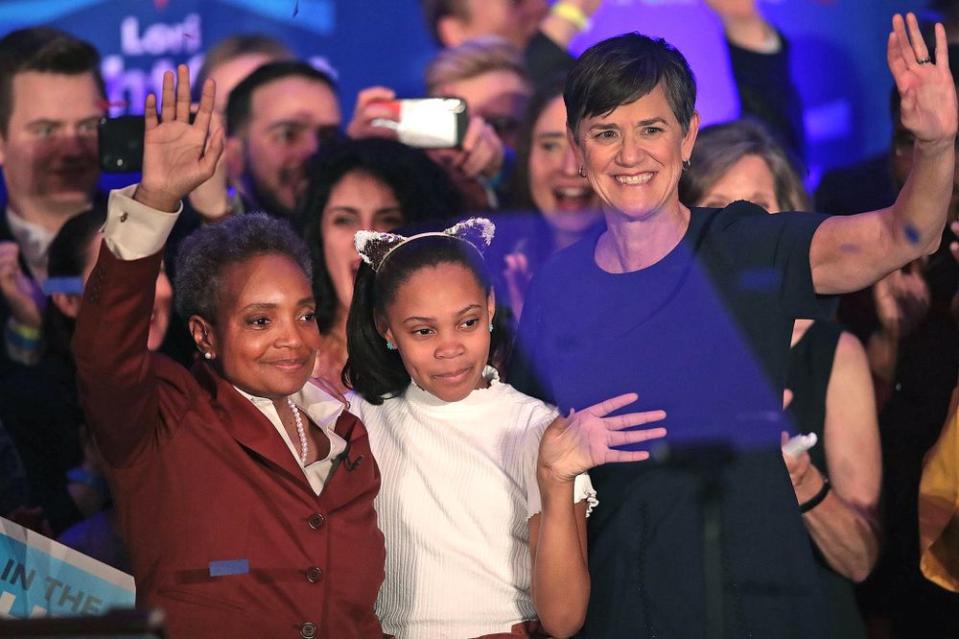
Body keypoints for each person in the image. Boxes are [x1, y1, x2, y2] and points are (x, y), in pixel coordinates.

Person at [510, 14, 956, 636]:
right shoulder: (557, 289)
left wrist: (935, 145)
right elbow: (534, 467)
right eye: (606, 133)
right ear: (578, 149)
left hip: (754, 606)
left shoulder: (748, 245)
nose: (631, 154)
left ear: (688, 137)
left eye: (652, 129)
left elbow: (902, 234)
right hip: (620, 609)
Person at [72, 66, 385, 638]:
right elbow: (104, 352)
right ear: (204, 336)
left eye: (305, 313)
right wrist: (158, 198)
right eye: (260, 321)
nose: (292, 337)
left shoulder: (345, 428)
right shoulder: (166, 417)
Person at [341, 218, 667, 638]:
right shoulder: (358, 421)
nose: (449, 348)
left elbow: (564, 619)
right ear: (388, 330)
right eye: (423, 331)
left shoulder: (538, 429)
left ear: (490, 308)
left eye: (467, 322)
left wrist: (554, 478)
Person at [680, 118, 881, 639]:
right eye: (720, 208)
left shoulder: (833, 352)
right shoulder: (660, 345)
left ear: (790, 219)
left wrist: (798, 473)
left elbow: (860, 560)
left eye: (757, 208)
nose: (739, 228)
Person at [300, 137, 463, 392]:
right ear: (319, 237)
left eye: (389, 219)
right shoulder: (291, 358)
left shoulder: (455, 360)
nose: (368, 237)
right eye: (344, 220)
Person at [0, 27, 105, 366]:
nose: (72, 150)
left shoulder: (156, 234)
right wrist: (26, 331)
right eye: (46, 131)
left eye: (88, 126)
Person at [225, 60, 342, 219]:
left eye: (328, 137)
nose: (314, 150)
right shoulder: (189, 233)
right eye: (288, 134)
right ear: (234, 153)